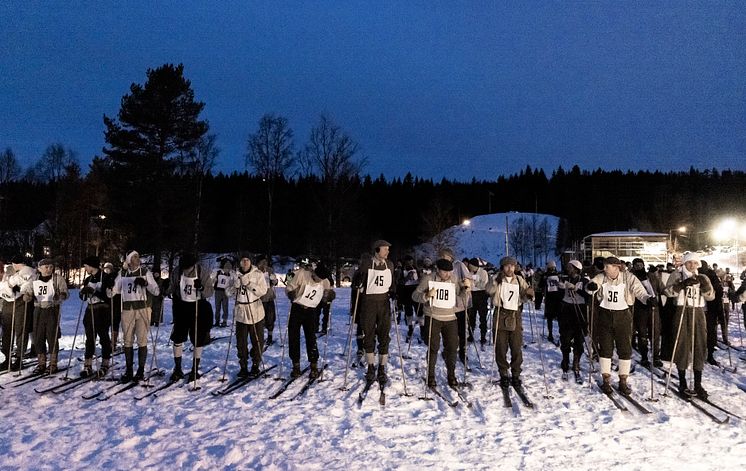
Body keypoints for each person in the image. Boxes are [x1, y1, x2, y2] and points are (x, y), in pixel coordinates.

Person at [586, 256, 653, 394]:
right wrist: (591, 287)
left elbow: (639, 291)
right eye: (604, 267)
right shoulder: (602, 277)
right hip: (604, 315)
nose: (604, 269)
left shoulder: (629, 277)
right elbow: (592, 285)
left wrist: (647, 299)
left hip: (623, 315)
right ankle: (606, 380)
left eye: (607, 267)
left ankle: (623, 380)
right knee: (605, 348)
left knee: (624, 348)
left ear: (616, 267)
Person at [664, 252, 714, 398]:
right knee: (682, 345)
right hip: (682, 310)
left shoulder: (703, 277)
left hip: (698, 312)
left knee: (700, 345)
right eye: (689, 263)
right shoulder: (677, 275)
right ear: (684, 263)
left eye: (695, 263)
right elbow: (667, 292)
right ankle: (682, 382)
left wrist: (705, 287)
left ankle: (698, 383)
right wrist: (681, 285)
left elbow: (711, 296)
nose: (692, 266)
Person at [412, 258, 462, 388]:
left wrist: (465, 289)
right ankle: (431, 376)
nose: (447, 275)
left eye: (449, 272)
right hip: (433, 316)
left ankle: (451, 375)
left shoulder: (454, 279)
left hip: (450, 317)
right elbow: (415, 295)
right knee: (433, 347)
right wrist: (426, 296)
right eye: (445, 272)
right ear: (438, 270)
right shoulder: (428, 279)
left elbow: (458, 295)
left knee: (452, 347)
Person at [486, 256, 534, 387]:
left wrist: (529, 294)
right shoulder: (496, 278)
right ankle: (503, 372)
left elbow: (524, 296)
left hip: (515, 314)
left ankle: (516, 373)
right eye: (507, 266)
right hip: (500, 313)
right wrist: (496, 281)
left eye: (512, 266)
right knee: (501, 347)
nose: (510, 268)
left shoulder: (519, 279)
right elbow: (488, 290)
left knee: (516, 346)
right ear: (503, 267)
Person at [352, 240, 395, 386]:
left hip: (383, 303)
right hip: (368, 303)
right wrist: (357, 283)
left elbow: (392, 282)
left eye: (388, 249)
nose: (387, 252)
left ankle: (382, 367)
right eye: (385, 249)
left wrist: (394, 293)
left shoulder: (389, 264)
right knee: (368, 334)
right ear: (377, 250)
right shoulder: (366, 263)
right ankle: (370, 366)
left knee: (384, 335)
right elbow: (356, 280)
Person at [113, 251, 160, 382]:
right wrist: (109, 289)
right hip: (127, 310)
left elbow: (156, 290)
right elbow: (114, 290)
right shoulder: (123, 274)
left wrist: (146, 284)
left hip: (143, 309)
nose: (137, 259)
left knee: (142, 339)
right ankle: (129, 370)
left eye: (138, 256)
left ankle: (140, 369)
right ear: (128, 260)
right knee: (127, 339)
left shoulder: (145, 272)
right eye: (134, 257)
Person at [285, 257, 334, 379]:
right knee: (293, 336)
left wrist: (329, 296)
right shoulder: (302, 274)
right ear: (313, 273)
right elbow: (289, 286)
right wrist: (293, 293)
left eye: (320, 279)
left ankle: (313, 364)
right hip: (297, 308)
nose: (318, 281)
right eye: (317, 278)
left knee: (311, 337)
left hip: (311, 310)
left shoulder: (324, 280)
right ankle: (295, 365)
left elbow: (329, 291)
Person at [168, 253, 214, 382]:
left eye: (188, 267)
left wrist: (201, 288)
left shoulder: (201, 271)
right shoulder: (177, 271)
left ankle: (195, 368)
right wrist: (167, 289)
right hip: (181, 307)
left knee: (197, 338)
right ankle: (177, 368)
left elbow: (210, 291)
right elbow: (172, 287)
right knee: (178, 337)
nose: (186, 270)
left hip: (198, 307)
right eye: (184, 267)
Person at [23, 258, 68, 374]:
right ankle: (41, 362)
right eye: (46, 267)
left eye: (51, 267)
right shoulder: (35, 279)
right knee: (38, 336)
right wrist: (27, 296)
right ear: (39, 268)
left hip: (52, 309)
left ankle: (53, 363)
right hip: (38, 309)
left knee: (52, 335)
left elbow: (65, 292)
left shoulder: (58, 279)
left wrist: (60, 296)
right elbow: (28, 291)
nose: (49, 269)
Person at [79, 256, 115, 377]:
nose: (85, 268)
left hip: (103, 310)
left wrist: (95, 292)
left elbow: (109, 296)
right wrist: (83, 293)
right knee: (90, 338)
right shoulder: (88, 279)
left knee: (103, 337)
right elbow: (84, 297)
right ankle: (87, 365)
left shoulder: (105, 277)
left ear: (91, 266)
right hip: (90, 310)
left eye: (86, 266)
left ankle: (105, 363)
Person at [233, 254, 268, 378]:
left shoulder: (258, 274)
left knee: (257, 340)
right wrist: (234, 287)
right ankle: (243, 366)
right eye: (243, 260)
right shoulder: (235, 274)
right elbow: (227, 292)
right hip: (241, 312)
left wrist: (249, 284)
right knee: (241, 342)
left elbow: (263, 291)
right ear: (240, 262)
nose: (245, 262)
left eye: (247, 260)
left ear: (250, 261)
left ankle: (255, 364)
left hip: (255, 310)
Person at [630, 258, 665, 368]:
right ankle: (644, 356)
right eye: (636, 265)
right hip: (640, 308)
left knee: (655, 332)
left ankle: (656, 356)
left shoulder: (651, 276)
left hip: (653, 307)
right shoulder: (631, 277)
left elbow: (661, 288)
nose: (639, 267)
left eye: (640, 265)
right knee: (642, 333)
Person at [558, 260, 588, 379]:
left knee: (579, 338)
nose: (568, 269)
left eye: (570, 267)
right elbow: (558, 295)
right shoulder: (565, 278)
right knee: (565, 338)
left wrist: (576, 288)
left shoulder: (583, 280)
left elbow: (588, 295)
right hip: (566, 309)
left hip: (579, 310)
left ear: (576, 269)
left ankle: (576, 362)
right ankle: (565, 359)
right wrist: (560, 289)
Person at [699, 260, 724, 366]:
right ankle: (707, 354)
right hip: (703, 308)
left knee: (709, 333)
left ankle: (709, 354)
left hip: (709, 308)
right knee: (708, 332)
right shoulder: (695, 275)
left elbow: (718, 291)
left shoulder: (710, 275)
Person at [396, 255, 420, 341]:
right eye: (408, 261)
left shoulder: (416, 269)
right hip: (406, 293)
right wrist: (407, 278)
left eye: (411, 261)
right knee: (409, 313)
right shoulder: (401, 270)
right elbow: (399, 282)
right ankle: (410, 328)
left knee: (419, 312)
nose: (410, 263)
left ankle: (422, 329)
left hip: (416, 292)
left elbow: (420, 279)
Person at [467, 257, 490, 346]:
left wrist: (474, 283)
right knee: (471, 316)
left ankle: (483, 336)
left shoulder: (483, 272)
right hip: (472, 295)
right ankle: (471, 335)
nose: (469, 267)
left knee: (482, 317)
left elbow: (484, 284)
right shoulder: (469, 272)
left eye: (471, 266)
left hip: (481, 295)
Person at [256, 255, 278, 345]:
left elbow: (275, 283)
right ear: (258, 263)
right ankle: (259, 337)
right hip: (259, 299)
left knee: (270, 319)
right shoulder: (255, 271)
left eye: (265, 262)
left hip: (269, 298)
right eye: (262, 262)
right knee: (260, 320)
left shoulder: (269, 270)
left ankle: (270, 336)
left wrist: (274, 280)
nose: (264, 264)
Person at [540, 261, 562, 343]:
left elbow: (540, 285)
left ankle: (550, 334)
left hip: (550, 299)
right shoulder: (558, 274)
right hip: (558, 298)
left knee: (550, 318)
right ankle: (559, 334)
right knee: (559, 318)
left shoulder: (545, 275)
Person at [103, 261, 122, 352]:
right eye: (105, 269)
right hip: (106, 303)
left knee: (115, 322)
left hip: (116, 301)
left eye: (108, 268)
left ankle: (113, 343)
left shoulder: (116, 276)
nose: (107, 270)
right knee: (106, 323)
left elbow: (119, 287)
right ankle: (106, 342)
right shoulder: (103, 277)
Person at [212, 257, 235, 328]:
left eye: (229, 268)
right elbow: (212, 280)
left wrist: (231, 290)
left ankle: (224, 321)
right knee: (217, 307)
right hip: (218, 292)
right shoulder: (218, 272)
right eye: (226, 268)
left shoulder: (230, 275)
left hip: (225, 292)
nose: (227, 270)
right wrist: (213, 283)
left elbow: (232, 283)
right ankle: (217, 321)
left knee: (225, 307)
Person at [314, 260, 335, 335]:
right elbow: (331, 282)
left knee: (316, 313)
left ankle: (315, 327)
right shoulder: (327, 272)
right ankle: (324, 328)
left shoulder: (315, 272)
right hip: (326, 293)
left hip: (317, 294)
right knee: (326, 313)